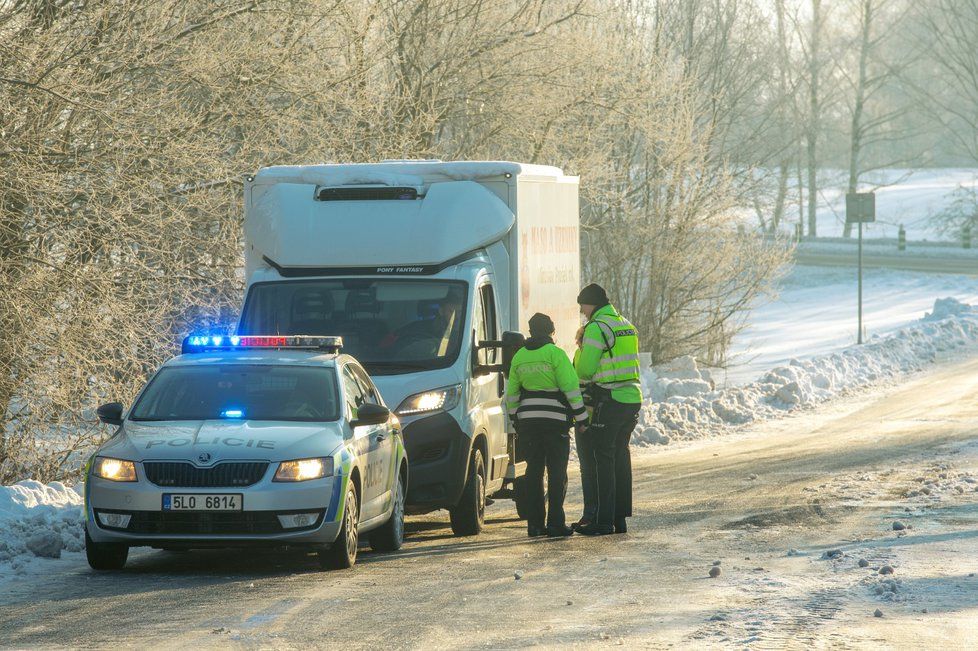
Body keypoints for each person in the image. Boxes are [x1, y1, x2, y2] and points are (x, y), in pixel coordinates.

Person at [506, 313, 589, 537]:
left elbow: (511, 392)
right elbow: (570, 387)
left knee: (533, 472)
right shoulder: (555, 354)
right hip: (555, 422)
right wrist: (582, 417)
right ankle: (555, 524)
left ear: (531, 332)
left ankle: (534, 525)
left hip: (529, 423)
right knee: (556, 472)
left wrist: (515, 417)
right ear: (552, 331)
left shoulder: (519, 356)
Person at [574, 283, 642, 536]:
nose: (582, 311)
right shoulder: (625, 324)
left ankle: (602, 522)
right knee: (621, 458)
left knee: (602, 458)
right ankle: (619, 519)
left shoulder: (596, 328)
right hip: (632, 397)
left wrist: (578, 355)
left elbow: (585, 370)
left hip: (609, 398)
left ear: (590, 304)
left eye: (582, 305)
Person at [571, 325, 598, 533]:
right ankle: (594, 513)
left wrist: (581, 420)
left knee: (588, 469)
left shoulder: (581, 357)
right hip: (590, 416)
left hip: (586, 419)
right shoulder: (582, 356)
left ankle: (591, 513)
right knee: (594, 468)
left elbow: (578, 391)